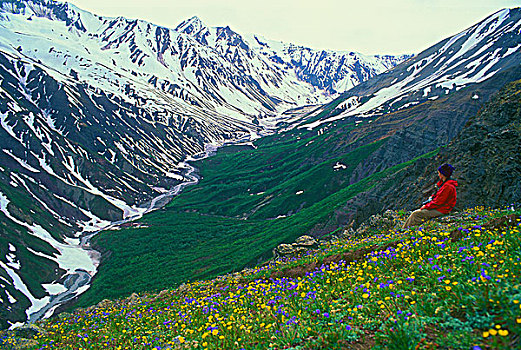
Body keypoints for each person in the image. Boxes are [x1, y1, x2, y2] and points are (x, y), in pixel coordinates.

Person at [403, 164, 458, 228]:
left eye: (439, 173)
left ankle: (405, 230)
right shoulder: (445, 184)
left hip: (442, 210)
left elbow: (438, 202)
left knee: (416, 214)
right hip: (442, 208)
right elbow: (438, 196)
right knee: (416, 213)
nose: (438, 175)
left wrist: (426, 206)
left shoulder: (447, 186)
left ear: (442, 175)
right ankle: (404, 229)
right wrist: (432, 197)